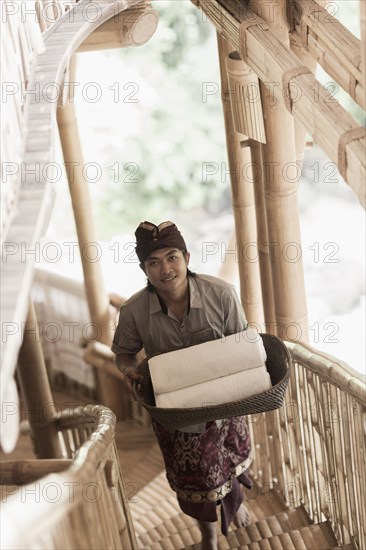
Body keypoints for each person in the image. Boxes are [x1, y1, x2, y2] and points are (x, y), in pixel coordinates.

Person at [112, 221, 252, 550]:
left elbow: (243, 347)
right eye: (154, 262)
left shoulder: (222, 294)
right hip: (177, 416)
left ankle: (237, 502)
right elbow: (123, 353)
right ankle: (208, 535)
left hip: (225, 405)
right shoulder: (133, 311)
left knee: (231, 462)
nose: (165, 269)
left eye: (172, 257)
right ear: (143, 269)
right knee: (197, 483)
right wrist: (128, 370)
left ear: (187, 257)